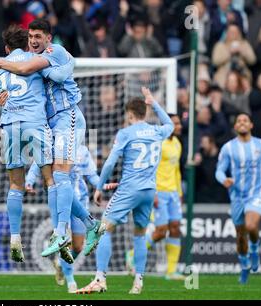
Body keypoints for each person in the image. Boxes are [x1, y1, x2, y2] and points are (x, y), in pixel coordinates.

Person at [0, 19, 102, 260]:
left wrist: (1, 63)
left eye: (39, 36)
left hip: (68, 116)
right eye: (31, 36)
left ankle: (61, 233)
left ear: (48, 39)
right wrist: (5, 95)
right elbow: (25, 79)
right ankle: (91, 223)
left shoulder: (54, 52)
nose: (34, 40)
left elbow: (47, 72)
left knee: (60, 176)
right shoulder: (33, 59)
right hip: (50, 123)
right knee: (54, 179)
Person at [77, 87, 173, 295]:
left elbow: (111, 163)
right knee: (139, 236)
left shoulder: (125, 133)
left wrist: (100, 187)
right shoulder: (157, 131)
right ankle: (138, 282)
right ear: (145, 113)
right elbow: (171, 124)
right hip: (149, 191)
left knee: (102, 230)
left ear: (129, 115)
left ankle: (100, 279)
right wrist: (153, 101)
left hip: (129, 189)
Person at [0, 25, 71, 263]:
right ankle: (59, 235)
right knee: (51, 180)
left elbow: (2, 98)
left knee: (15, 185)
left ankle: (15, 238)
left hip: (9, 125)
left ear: (6, 48)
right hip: (35, 122)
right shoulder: (36, 59)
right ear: (27, 43)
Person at [25, 145, 104, 293]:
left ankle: (61, 265)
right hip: (60, 201)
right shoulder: (54, 146)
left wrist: (102, 185)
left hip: (80, 201)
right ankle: (71, 282)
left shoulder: (82, 150)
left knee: (78, 246)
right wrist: (29, 180)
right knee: (64, 240)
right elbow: (37, 164)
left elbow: (91, 175)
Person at [126, 114, 185, 280]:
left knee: (175, 228)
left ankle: (171, 271)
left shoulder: (177, 144)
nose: (179, 126)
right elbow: (148, 167)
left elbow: (176, 171)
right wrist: (155, 192)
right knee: (160, 231)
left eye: (179, 123)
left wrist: (179, 193)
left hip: (173, 193)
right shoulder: (157, 143)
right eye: (176, 123)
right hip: (158, 191)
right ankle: (132, 254)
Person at [215, 113, 261, 284]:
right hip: (237, 195)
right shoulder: (228, 148)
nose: (242, 123)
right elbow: (219, 171)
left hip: (257, 192)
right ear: (235, 127)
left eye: (245, 120)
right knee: (240, 237)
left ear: (251, 125)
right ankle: (244, 266)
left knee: (252, 225)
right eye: (238, 121)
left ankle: (254, 249)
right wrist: (225, 180)